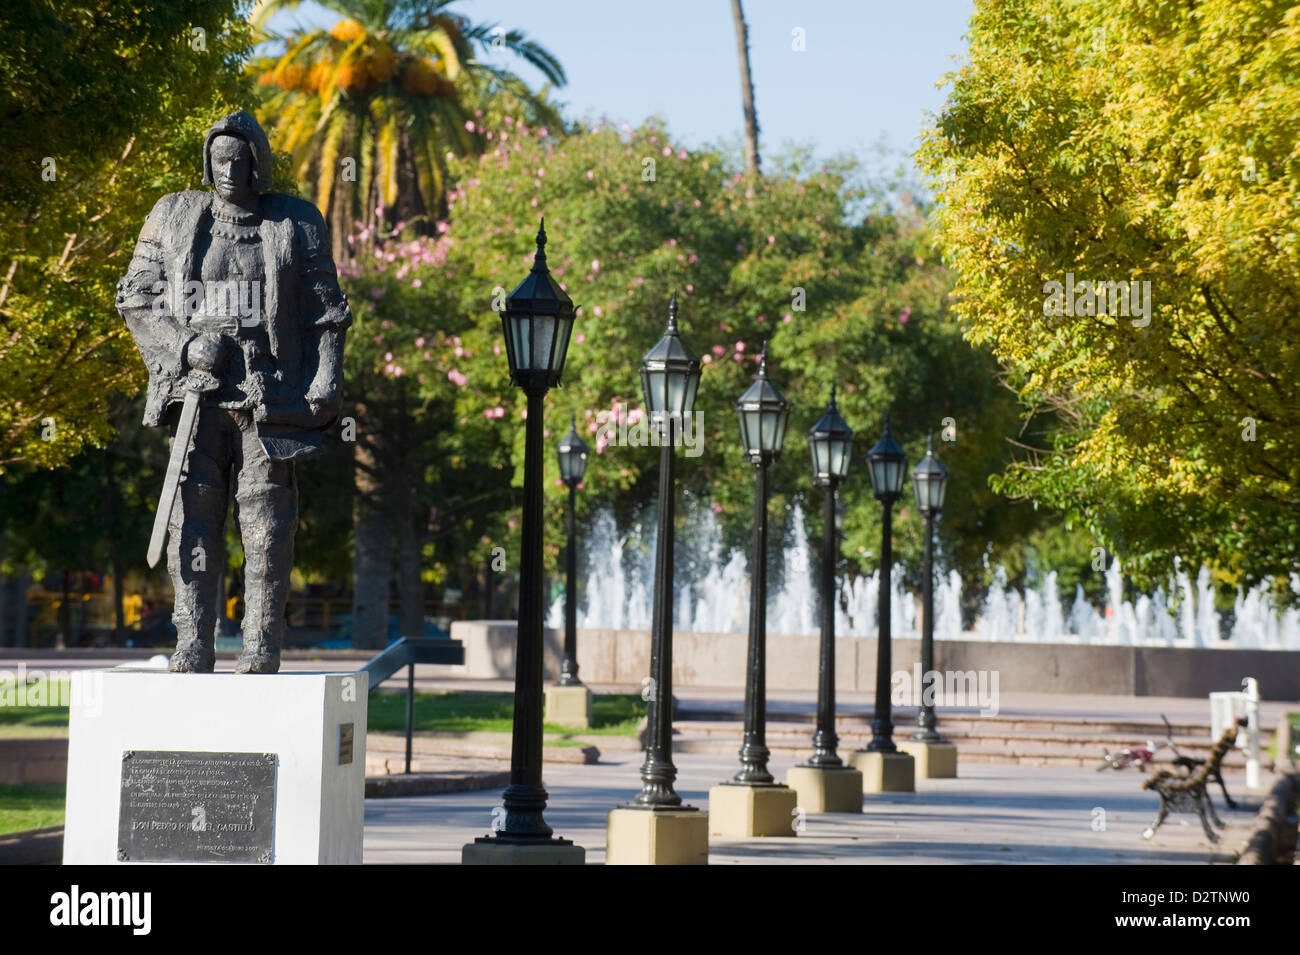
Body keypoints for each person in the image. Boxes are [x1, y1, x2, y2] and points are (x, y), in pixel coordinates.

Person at [115, 110, 351, 673]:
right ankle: (192, 640)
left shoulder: (296, 221)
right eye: (219, 160)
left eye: (239, 160)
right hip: (195, 395)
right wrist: (183, 345)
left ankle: (261, 645)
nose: (228, 170)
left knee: (266, 524)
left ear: (258, 163)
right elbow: (137, 296)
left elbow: (327, 313)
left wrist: (325, 378)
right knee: (192, 519)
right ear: (207, 162)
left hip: (267, 396)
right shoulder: (172, 214)